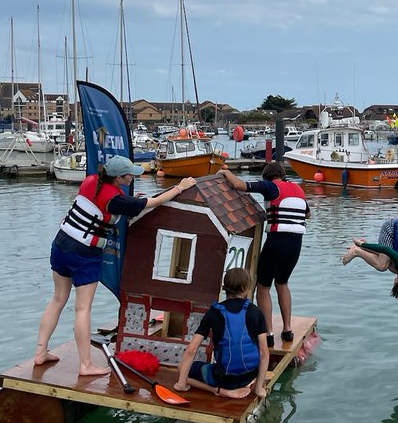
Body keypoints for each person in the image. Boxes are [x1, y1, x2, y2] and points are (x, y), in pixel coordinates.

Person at [34, 157, 196, 376]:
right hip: (85, 253)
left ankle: (41, 352)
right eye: (129, 174)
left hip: (61, 244)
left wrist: (129, 201)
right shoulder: (117, 200)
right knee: (83, 308)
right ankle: (85, 365)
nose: (133, 177)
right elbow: (152, 203)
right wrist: (180, 187)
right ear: (118, 177)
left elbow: (104, 203)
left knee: (58, 299)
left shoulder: (91, 180)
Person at [221, 161, 309, 347]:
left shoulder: (270, 186)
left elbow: (239, 185)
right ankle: (287, 331)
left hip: (277, 240)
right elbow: (307, 214)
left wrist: (226, 172)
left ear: (267, 177)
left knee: (263, 286)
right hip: (296, 243)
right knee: (283, 282)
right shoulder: (298, 189)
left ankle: (268, 334)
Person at [174, 267, 268, 400]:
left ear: (225, 287)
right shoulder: (256, 312)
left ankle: (218, 390)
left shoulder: (214, 312)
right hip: (249, 376)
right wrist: (258, 389)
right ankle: (252, 386)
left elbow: (191, 350)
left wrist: (181, 383)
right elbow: (264, 353)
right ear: (245, 288)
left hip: (223, 379)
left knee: (181, 368)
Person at [341, 217, 398, 300]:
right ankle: (356, 251)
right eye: (396, 280)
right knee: (382, 266)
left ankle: (364, 249)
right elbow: (386, 250)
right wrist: (362, 245)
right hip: (391, 227)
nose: (395, 278)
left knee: (392, 268)